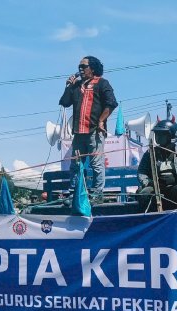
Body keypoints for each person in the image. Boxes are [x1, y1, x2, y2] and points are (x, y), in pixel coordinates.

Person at [59, 56, 118, 204]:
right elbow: (65, 103)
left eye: (84, 66)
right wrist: (69, 86)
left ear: (93, 68)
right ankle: (74, 194)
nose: (81, 69)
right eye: (79, 67)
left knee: (96, 164)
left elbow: (111, 104)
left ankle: (97, 194)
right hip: (78, 133)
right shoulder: (77, 85)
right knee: (76, 165)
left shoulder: (102, 83)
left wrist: (101, 121)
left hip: (94, 132)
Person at [137, 118, 177, 212]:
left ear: (171, 135)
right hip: (155, 187)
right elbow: (142, 172)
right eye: (157, 134)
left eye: (162, 134)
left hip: (176, 186)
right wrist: (148, 182)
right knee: (144, 194)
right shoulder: (149, 153)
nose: (158, 137)